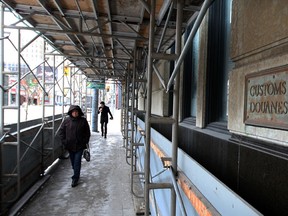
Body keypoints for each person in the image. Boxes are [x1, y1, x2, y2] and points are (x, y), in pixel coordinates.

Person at [58, 105, 91, 187]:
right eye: (73, 112)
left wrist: (85, 141)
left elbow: (87, 132)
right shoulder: (66, 121)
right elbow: (61, 132)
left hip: (80, 146)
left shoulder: (83, 121)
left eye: (76, 112)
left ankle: (75, 178)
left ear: (79, 112)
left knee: (77, 162)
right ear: (71, 112)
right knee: (73, 162)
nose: (75, 113)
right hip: (70, 146)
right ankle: (76, 172)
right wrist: (64, 141)